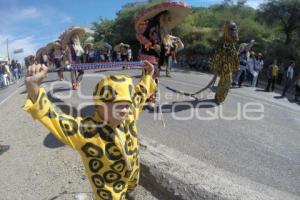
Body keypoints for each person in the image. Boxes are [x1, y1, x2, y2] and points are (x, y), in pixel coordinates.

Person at [24, 60, 157, 200]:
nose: (124, 111)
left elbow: (140, 93)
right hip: (108, 192)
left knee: (131, 189)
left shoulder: (129, 115)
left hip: (133, 175)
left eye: (127, 105)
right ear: (99, 105)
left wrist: (148, 75)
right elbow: (52, 117)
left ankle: (130, 191)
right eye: (118, 106)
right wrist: (33, 86)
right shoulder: (86, 131)